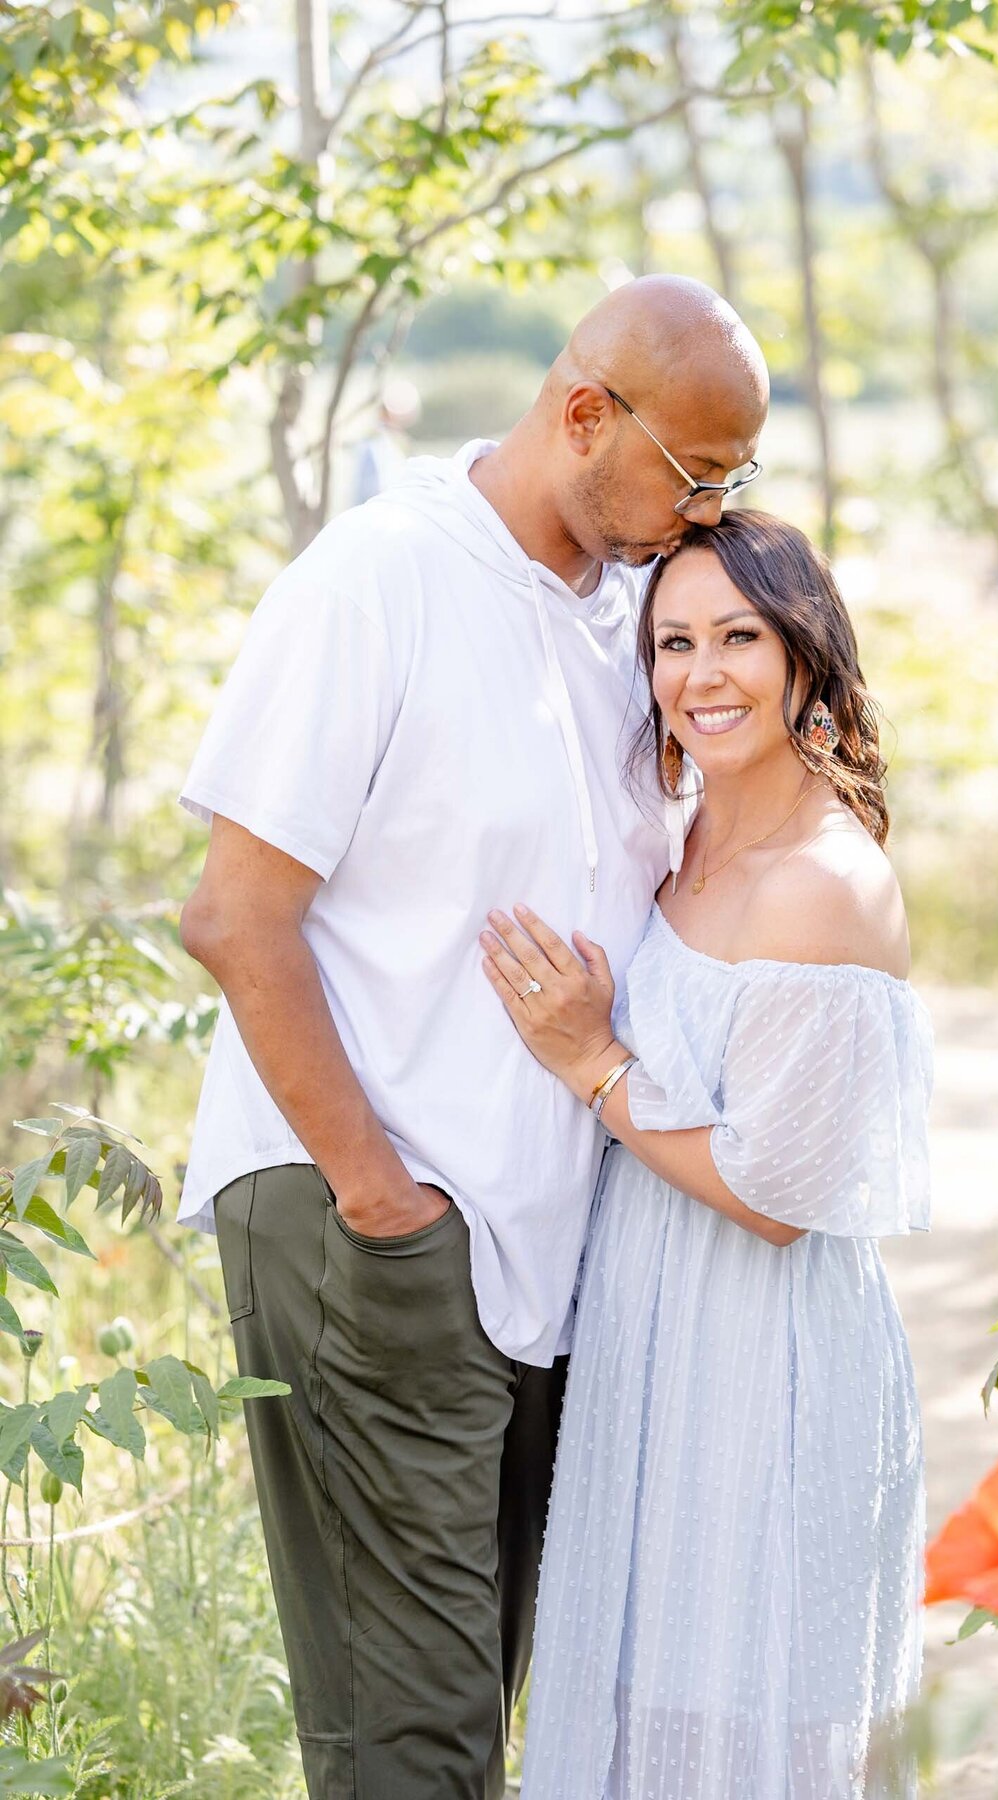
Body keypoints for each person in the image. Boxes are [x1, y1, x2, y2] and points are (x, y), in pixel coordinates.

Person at [176, 275, 769, 1800]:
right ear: (584, 413)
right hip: (370, 1217)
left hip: (544, 1257)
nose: (708, 513)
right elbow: (237, 918)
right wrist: (383, 1207)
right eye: (695, 476)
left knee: (494, 1706)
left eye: (735, 482)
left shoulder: (617, 627)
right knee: (416, 1745)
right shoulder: (375, 580)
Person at [480, 509, 933, 1800]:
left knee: (746, 1723)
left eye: (740, 635)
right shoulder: (684, 836)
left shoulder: (822, 883)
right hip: (655, 1336)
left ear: (805, 656)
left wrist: (591, 1065)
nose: (702, 674)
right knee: (645, 1709)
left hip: (766, 1354)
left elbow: (779, 1195)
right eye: (674, 642)